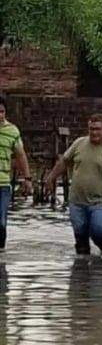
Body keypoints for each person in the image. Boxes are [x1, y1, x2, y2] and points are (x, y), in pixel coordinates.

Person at [45, 113, 102, 255]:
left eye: (97, 129)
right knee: (80, 234)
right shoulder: (79, 143)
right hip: (77, 200)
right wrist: (51, 178)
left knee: (98, 231)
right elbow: (64, 162)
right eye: (91, 129)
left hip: (99, 202)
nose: (94, 133)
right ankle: (82, 265)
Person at [0, 95, 32, 251]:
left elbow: (20, 155)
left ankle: (1, 253)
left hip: (3, 184)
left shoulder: (12, 131)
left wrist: (27, 178)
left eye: (1, 111)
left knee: (1, 222)